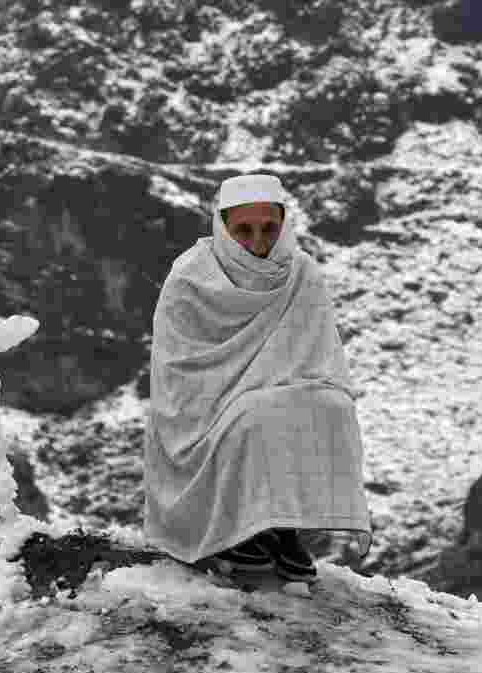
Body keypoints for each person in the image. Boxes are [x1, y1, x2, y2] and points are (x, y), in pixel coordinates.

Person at [143, 174, 372, 583]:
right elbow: (178, 370)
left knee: (331, 407)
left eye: (269, 228)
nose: (258, 241)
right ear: (222, 228)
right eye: (244, 230)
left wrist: (285, 389)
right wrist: (250, 394)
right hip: (206, 409)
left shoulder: (301, 273)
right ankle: (235, 530)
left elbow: (319, 355)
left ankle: (282, 527)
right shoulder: (191, 277)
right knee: (256, 414)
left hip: (279, 393)